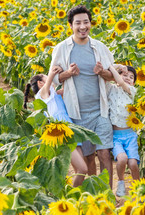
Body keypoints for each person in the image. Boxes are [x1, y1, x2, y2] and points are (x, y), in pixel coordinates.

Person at [49, 5, 114, 187]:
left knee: (104, 154)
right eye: (78, 23)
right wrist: (68, 73)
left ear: (90, 24)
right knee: (87, 159)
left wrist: (102, 72)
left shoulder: (99, 47)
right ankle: (92, 193)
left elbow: (113, 76)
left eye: (86, 22)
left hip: (100, 111)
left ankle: (107, 194)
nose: (83, 26)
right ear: (70, 25)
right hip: (76, 114)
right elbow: (53, 79)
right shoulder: (62, 49)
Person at [23, 66, 88, 187]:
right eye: (46, 77)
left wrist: (69, 72)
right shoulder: (41, 95)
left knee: (80, 170)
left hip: (70, 129)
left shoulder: (54, 94)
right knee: (82, 169)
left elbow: (66, 87)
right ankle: (72, 195)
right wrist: (54, 71)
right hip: (60, 132)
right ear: (40, 83)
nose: (50, 80)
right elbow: (51, 76)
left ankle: (76, 196)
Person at [107, 64, 140, 197]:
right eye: (125, 75)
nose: (127, 78)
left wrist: (113, 68)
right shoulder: (111, 88)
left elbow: (120, 82)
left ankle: (139, 188)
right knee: (121, 159)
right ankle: (121, 182)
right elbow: (105, 79)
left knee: (133, 164)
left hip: (130, 135)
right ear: (118, 74)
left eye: (131, 77)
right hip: (115, 135)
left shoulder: (132, 90)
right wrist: (114, 67)